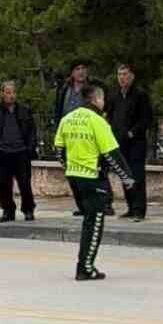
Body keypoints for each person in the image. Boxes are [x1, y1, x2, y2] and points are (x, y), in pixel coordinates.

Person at [53, 82, 134, 280]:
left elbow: (59, 150)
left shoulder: (68, 118)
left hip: (75, 177)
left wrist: (68, 168)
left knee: (89, 221)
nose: (104, 102)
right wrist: (126, 177)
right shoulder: (97, 121)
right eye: (103, 99)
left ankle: (85, 265)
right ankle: (85, 268)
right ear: (96, 99)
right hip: (92, 177)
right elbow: (111, 153)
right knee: (94, 223)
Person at [106, 62, 154, 222]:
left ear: (132, 76)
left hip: (136, 142)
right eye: (120, 74)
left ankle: (139, 210)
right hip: (119, 142)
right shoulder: (114, 95)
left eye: (125, 74)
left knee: (137, 175)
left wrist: (132, 132)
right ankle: (131, 207)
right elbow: (110, 115)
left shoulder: (140, 94)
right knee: (125, 175)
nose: (122, 78)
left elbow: (146, 118)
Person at [0, 80, 37, 223]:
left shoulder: (25, 110)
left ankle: (28, 209)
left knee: (25, 183)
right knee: (3, 184)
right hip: (1, 152)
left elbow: (32, 131)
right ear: (2, 94)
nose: (11, 96)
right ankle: (8, 210)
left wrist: (30, 148)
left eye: (13, 92)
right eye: (8, 93)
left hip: (21, 152)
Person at [53, 60, 92, 215]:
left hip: (85, 137)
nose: (81, 72)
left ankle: (96, 204)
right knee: (72, 174)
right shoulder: (64, 89)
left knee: (88, 173)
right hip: (68, 137)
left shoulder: (91, 89)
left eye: (83, 68)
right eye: (77, 69)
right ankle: (81, 206)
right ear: (72, 72)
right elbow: (58, 110)